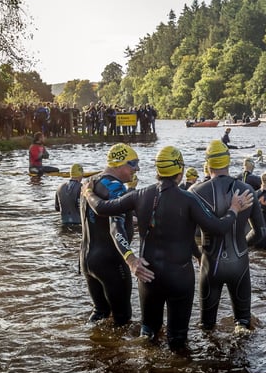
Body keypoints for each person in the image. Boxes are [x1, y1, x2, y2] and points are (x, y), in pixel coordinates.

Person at [82, 145, 253, 350]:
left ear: (158, 170)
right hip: (179, 276)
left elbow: (102, 208)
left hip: (148, 275)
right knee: (178, 340)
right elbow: (218, 228)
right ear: (180, 171)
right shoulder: (189, 199)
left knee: (148, 335)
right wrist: (234, 209)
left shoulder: (140, 195)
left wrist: (88, 192)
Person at [191, 140, 265, 334]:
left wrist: (199, 255)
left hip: (210, 264)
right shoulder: (248, 190)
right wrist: (243, 247)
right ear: (228, 161)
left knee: (206, 327)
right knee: (243, 324)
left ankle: (209, 360)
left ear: (207, 163)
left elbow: (187, 235)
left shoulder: (195, 193)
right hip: (239, 262)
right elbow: (261, 232)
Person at [79, 143, 141, 326]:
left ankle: (93, 348)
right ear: (119, 164)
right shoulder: (115, 188)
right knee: (123, 319)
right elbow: (115, 227)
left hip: (87, 259)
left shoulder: (90, 183)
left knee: (100, 312)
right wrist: (129, 258)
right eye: (133, 163)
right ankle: (118, 354)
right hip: (110, 261)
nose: (137, 168)